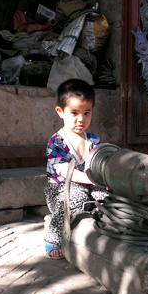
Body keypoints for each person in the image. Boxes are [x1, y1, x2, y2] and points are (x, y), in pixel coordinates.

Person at [44, 78, 108, 259]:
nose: (81, 119)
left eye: (87, 113)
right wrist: (91, 179)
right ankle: (53, 236)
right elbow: (64, 170)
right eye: (74, 113)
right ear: (60, 112)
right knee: (76, 199)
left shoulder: (93, 140)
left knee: (108, 198)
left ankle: (105, 229)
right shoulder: (57, 141)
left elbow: (101, 162)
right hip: (61, 189)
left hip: (91, 184)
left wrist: (106, 178)